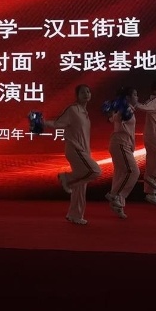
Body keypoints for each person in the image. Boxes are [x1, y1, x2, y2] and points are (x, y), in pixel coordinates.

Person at [44, 84, 102, 225]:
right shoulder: (73, 110)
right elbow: (57, 123)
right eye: (82, 92)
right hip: (75, 149)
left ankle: (75, 215)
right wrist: (43, 122)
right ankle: (66, 178)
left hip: (84, 151)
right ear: (77, 95)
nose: (86, 94)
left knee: (81, 185)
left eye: (88, 91)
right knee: (95, 171)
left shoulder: (85, 113)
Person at [105, 86, 140, 219]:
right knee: (133, 171)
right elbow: (117, 118)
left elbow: (112, 118)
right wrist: (116, 109)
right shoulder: (125, 110)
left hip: (123, 144)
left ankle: (118, 206)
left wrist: (111, 111)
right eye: (135, 95)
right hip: (120, 143)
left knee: (120, 174)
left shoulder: (126, 109)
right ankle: (114, 195)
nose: (137, 97)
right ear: (127, 98)